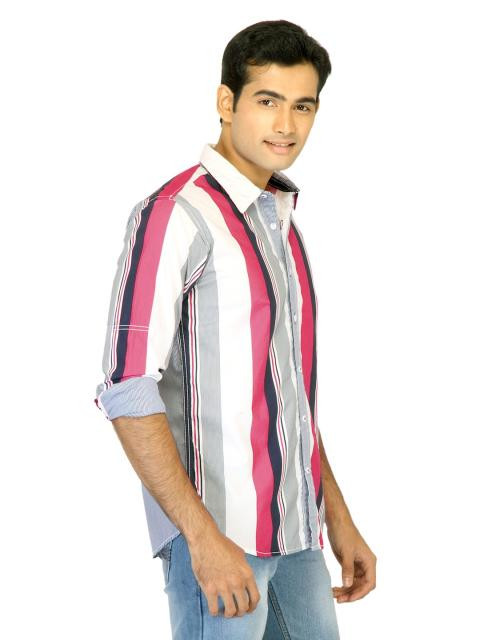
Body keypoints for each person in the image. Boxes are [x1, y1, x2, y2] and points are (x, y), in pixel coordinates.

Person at [94, 18, 376, 640]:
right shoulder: (175, 215)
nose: (286, 125)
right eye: (267, 101)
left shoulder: (281, 224)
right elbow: (126, 387)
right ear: (226, 102)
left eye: (303, 106)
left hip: (297, 537)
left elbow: (288, 396)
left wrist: (337, 516)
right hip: (219, 539)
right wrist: (201, 538)